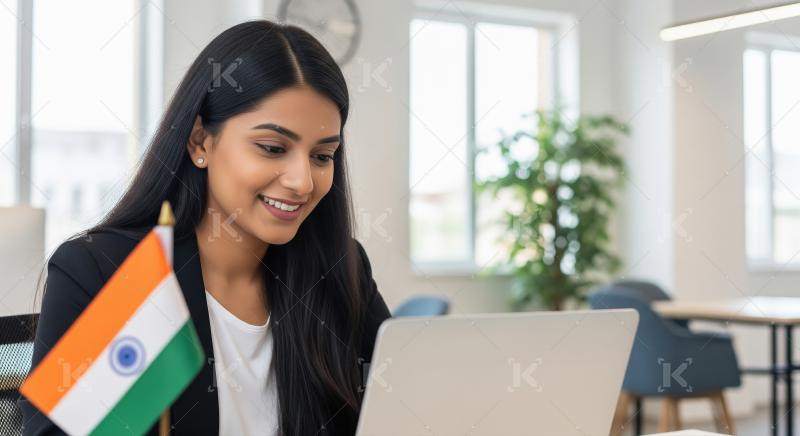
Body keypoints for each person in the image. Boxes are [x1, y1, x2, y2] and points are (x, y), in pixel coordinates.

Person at [19, 20, 391, 436]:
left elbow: (405, 413)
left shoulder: (339, 269)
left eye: (323, 156)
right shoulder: (108, 272)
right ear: (200, 141)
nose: (302, 181)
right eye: (272, 148)